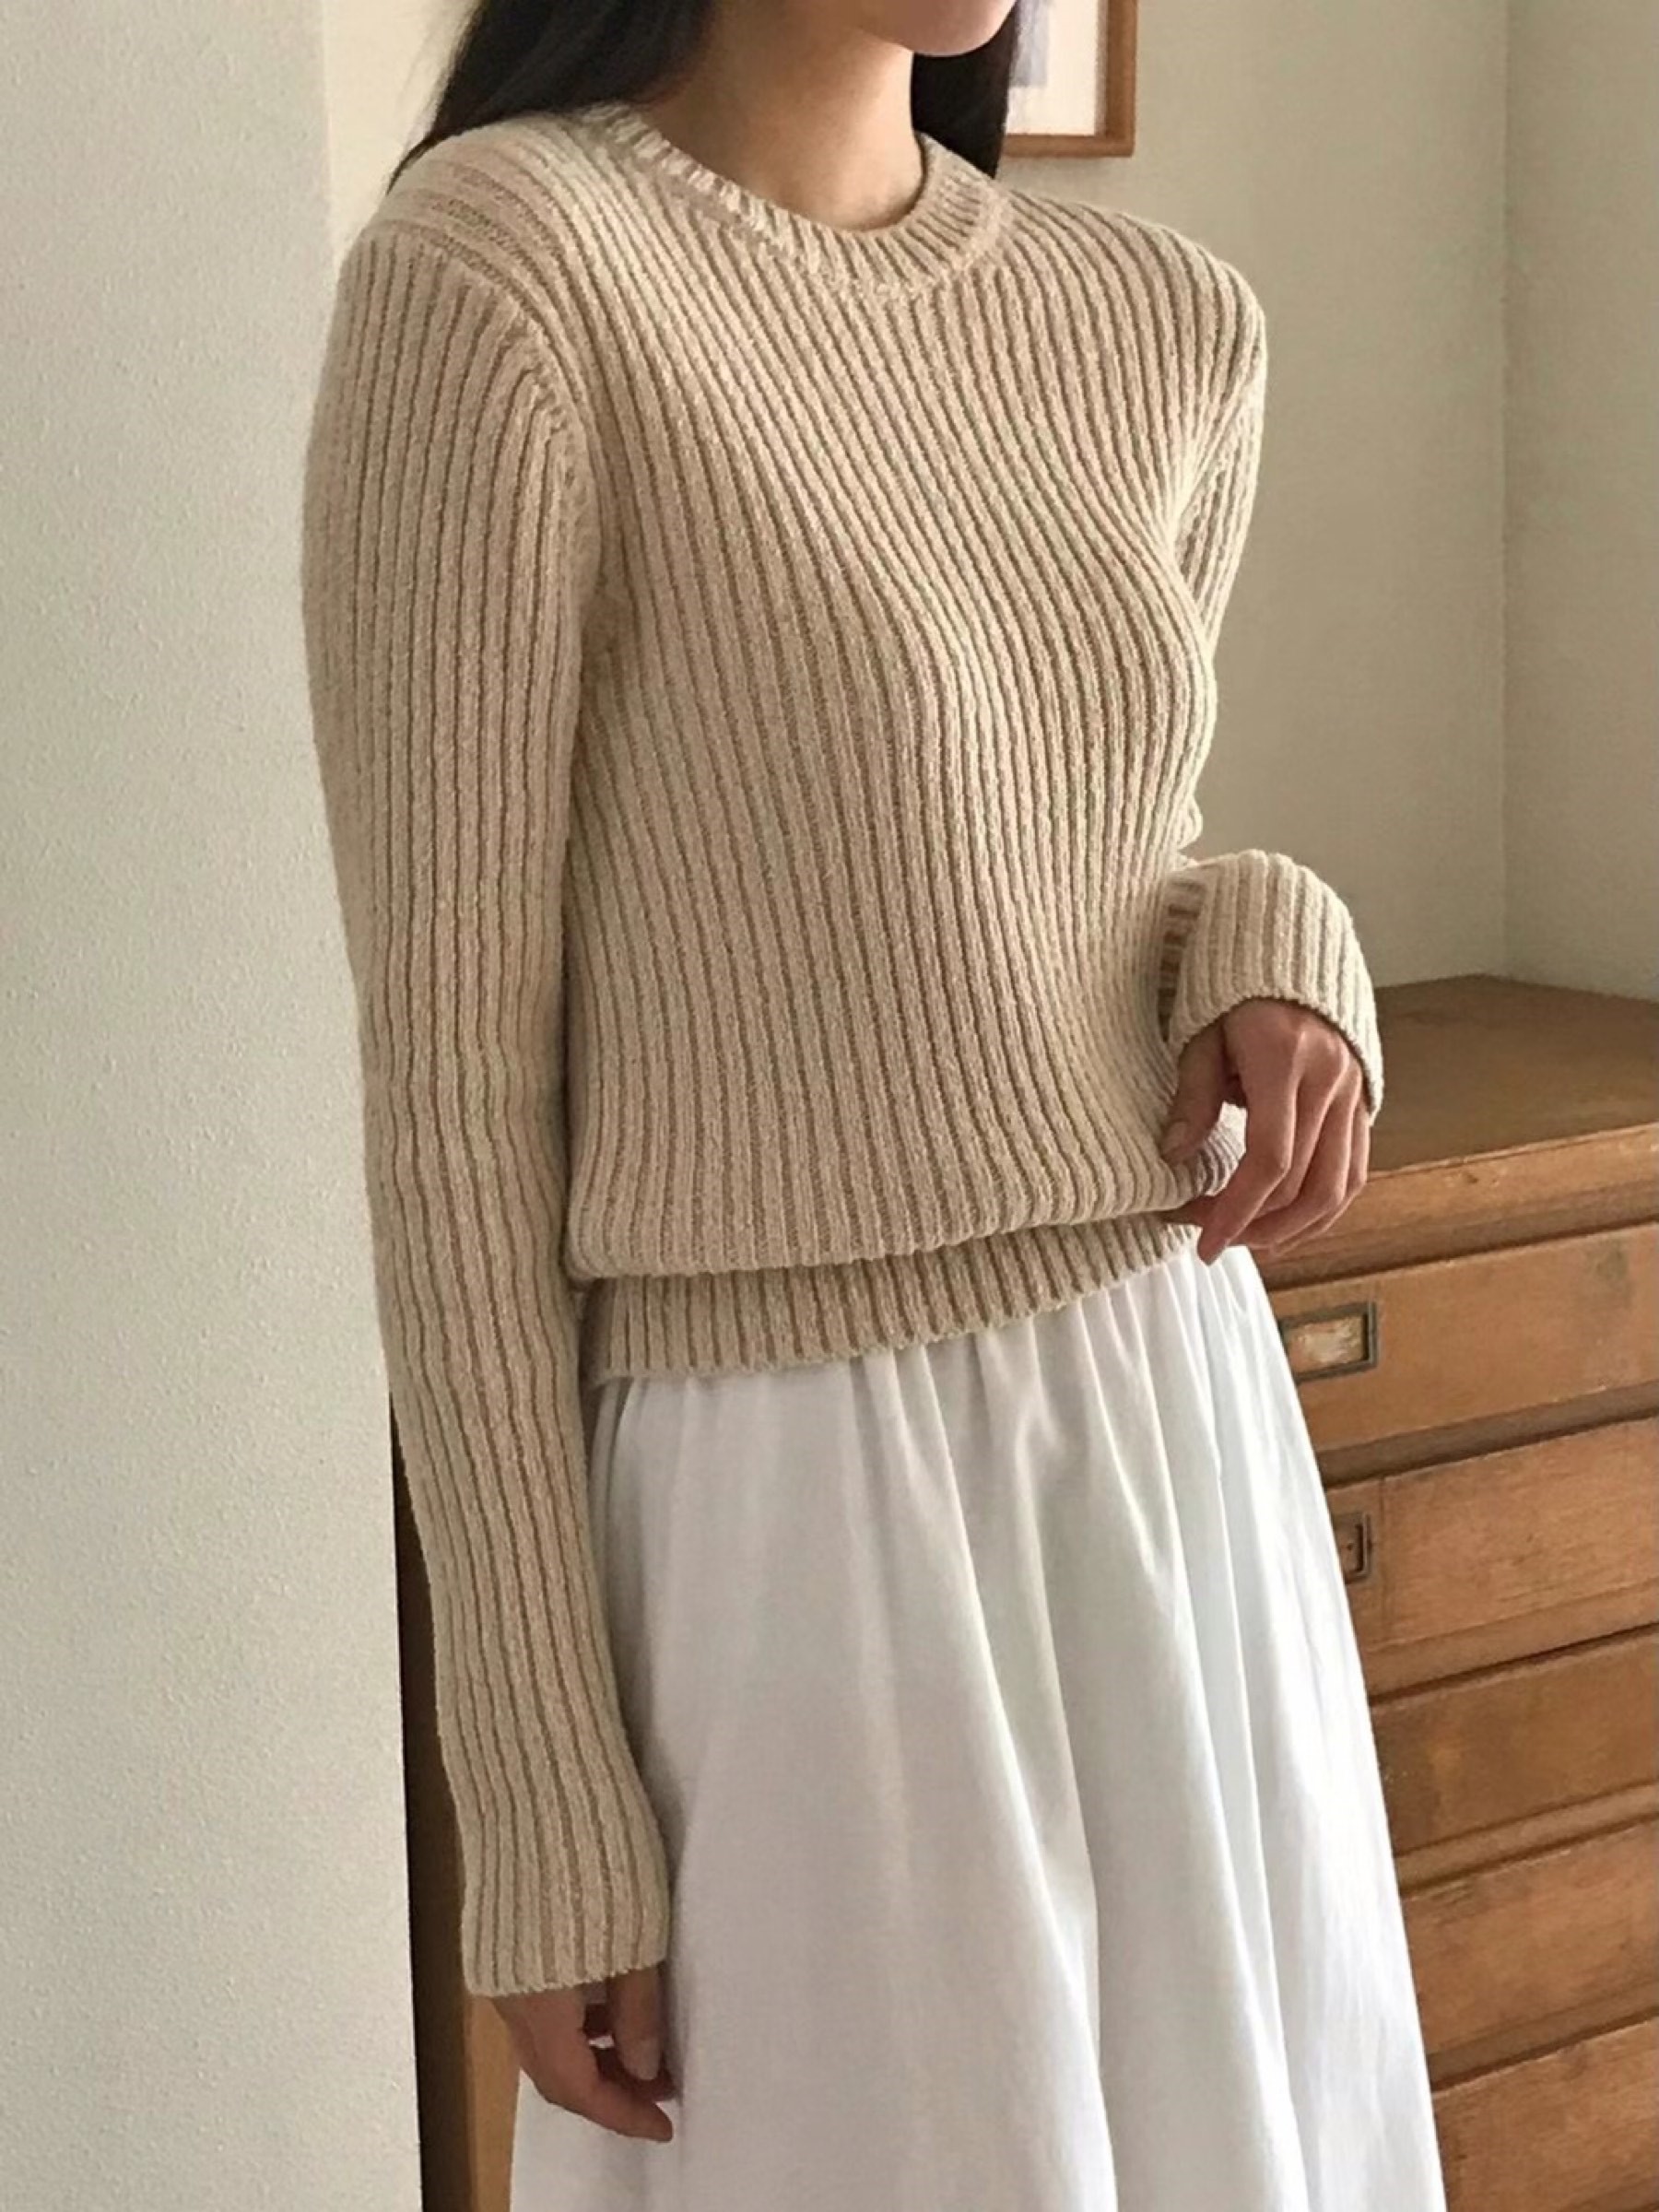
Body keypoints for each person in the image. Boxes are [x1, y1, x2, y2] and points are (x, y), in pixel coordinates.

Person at [300, 4, 1449, 2206]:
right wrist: (537, 1791)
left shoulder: (1163, 319)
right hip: (801, 1504)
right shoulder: (509, 272)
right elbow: (451, 1097)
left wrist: (1268, 936)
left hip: (1166, 1422)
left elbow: (1089, 847)